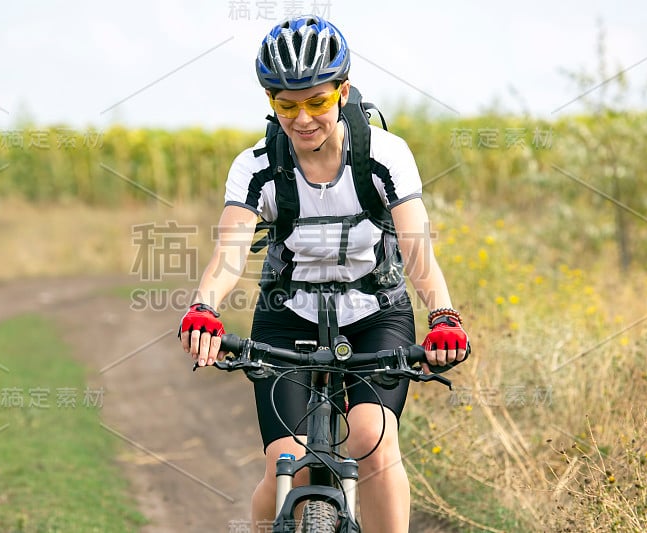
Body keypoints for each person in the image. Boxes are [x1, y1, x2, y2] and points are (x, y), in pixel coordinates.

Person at [179, 15, 469, 533]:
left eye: (316, 101)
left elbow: (416, 249)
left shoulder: (385, 155)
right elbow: (229, 250)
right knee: (284, 463)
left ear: (343, 90)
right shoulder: (255, 166)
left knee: (372, 441)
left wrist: (443, 316)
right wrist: (204, 309)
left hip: (376, 314)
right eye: (284, 105)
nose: (302, 118)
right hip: (287, 315)